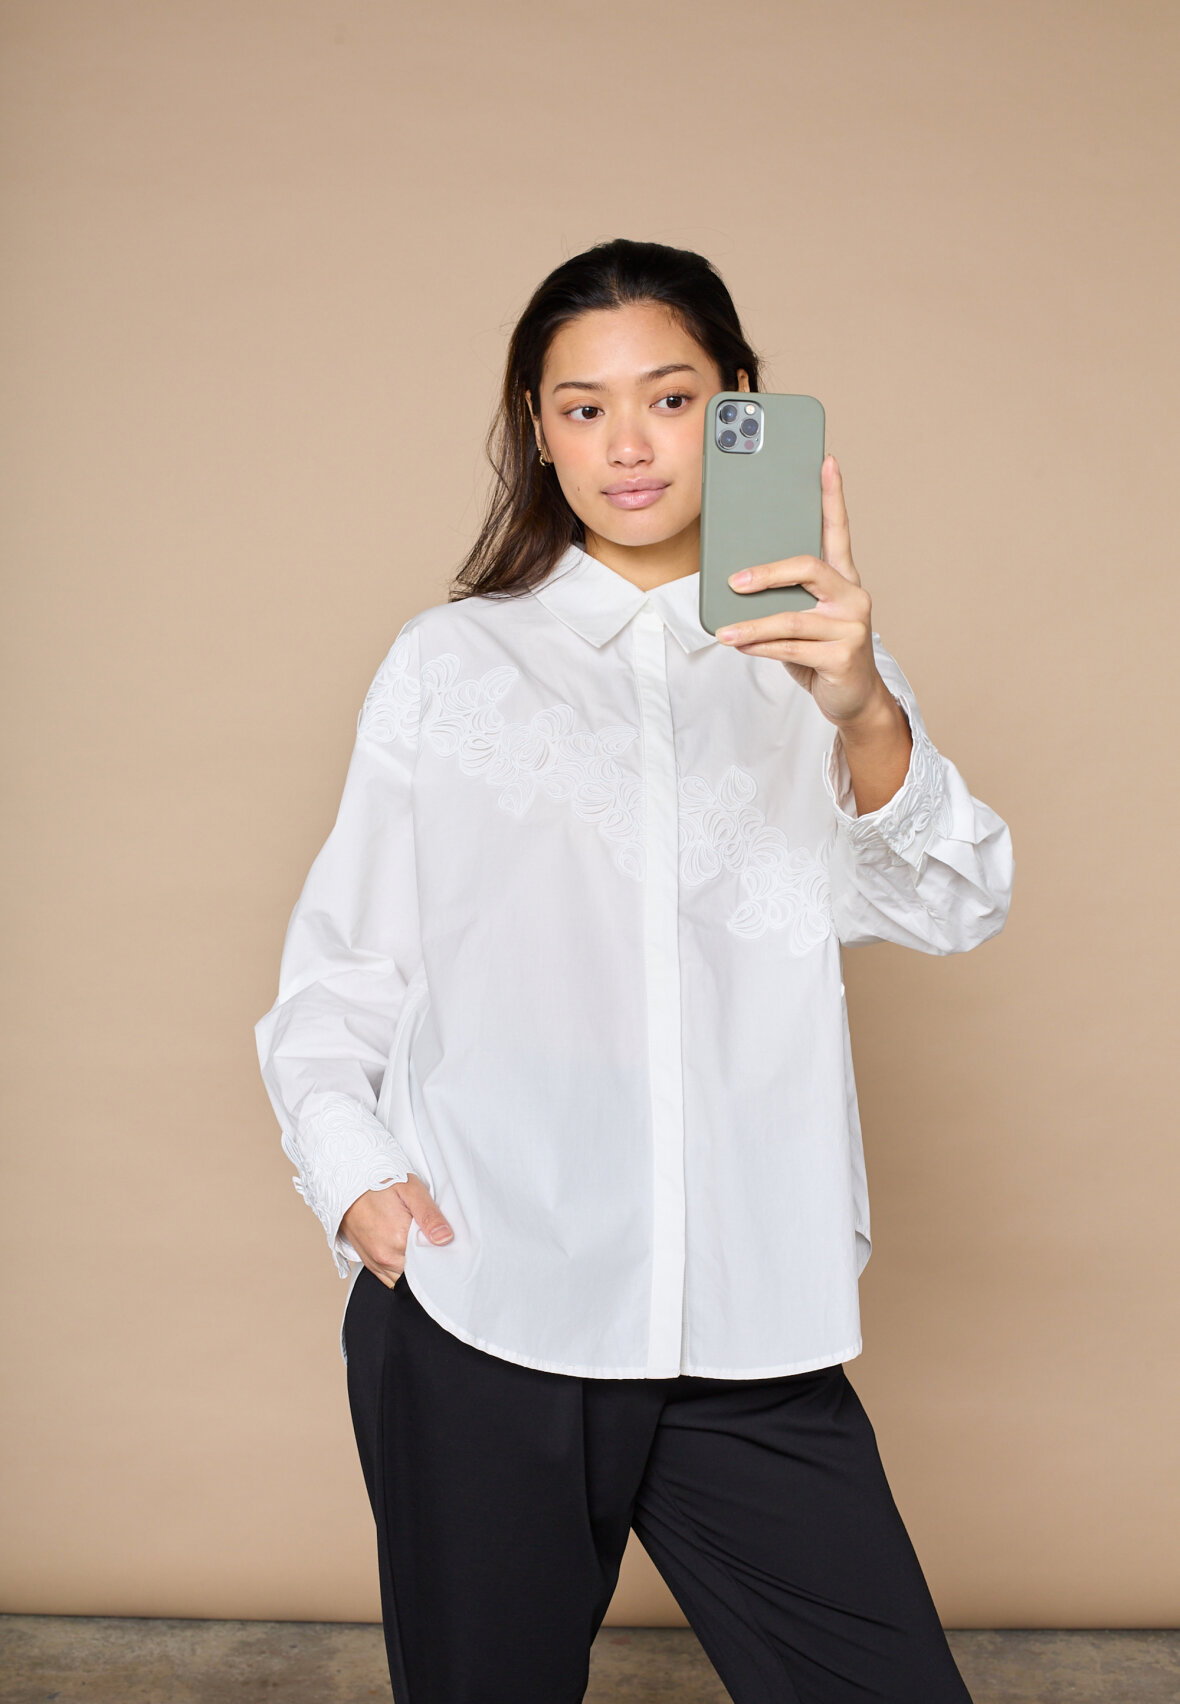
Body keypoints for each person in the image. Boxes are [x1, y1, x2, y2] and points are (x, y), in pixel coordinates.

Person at [254, 237, 1013, 1704]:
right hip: (490, 1301)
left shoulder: (822, 670)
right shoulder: (450, 664)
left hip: (747, 1317)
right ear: (537, 433)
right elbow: (344, 963)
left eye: (669, 399)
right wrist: (354, 1180)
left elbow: (953, 907)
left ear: (739, 406)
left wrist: (863, 712)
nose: (628, 444)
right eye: (582, 407)